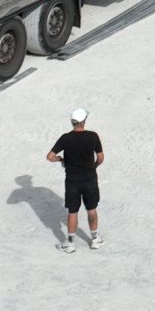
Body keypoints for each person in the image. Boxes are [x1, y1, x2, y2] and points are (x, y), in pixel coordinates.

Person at [45, 108, 106, 251]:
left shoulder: (65, 138)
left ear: (72, 122)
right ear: (84, 121)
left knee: (73, 211)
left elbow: (49, 156)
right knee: (91, 210)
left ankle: (70, 243)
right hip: (90, 179)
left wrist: (60, 159)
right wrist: (93, 167)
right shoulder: (93, 136)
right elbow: (101, 158)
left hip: (72, 181)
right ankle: (95, 239)